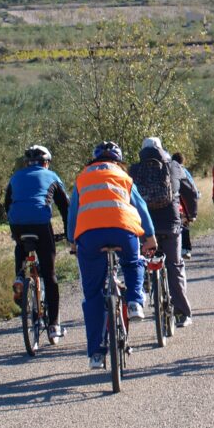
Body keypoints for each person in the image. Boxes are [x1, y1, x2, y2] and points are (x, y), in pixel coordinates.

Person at [67, 142, 158, 370]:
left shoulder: (82, 178)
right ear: (117, 160)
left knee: (93, 295)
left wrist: (72, 240)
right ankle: (136, 301)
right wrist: (150, 236)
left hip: (89, 237)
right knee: (132, 261)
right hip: (123, 231)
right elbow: (141, 206)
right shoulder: (123, 176)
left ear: (94, 160)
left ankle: (96, 355)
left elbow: (73, 212)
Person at [130, 138, 197, 327]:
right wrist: (191, 214)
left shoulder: (134, 170)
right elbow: (189, 192)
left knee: (141, 261)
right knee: (174, 265)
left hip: (144, 226)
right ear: (161, 149)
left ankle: (143, 292)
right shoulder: (173, 166)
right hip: (171, 223)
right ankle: (182, 313)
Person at [6, 145, 70, 341]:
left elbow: (7, 203)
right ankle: (53, 326)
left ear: (27, 163)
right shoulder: (51, 176)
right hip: (41, 224)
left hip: (17, 223)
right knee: (49, 275)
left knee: (20, 245)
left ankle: (19, 276)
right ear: (46, 163)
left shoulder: (15, 177)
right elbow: (66, 206)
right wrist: (69, 233)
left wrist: (14, 227)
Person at [171, 152, 199, 260]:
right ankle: (186, 249)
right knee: (185, 221)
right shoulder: (184, 171)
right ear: (183, 161)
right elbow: (192, 188)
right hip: (179, 204)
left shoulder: (164, 169)